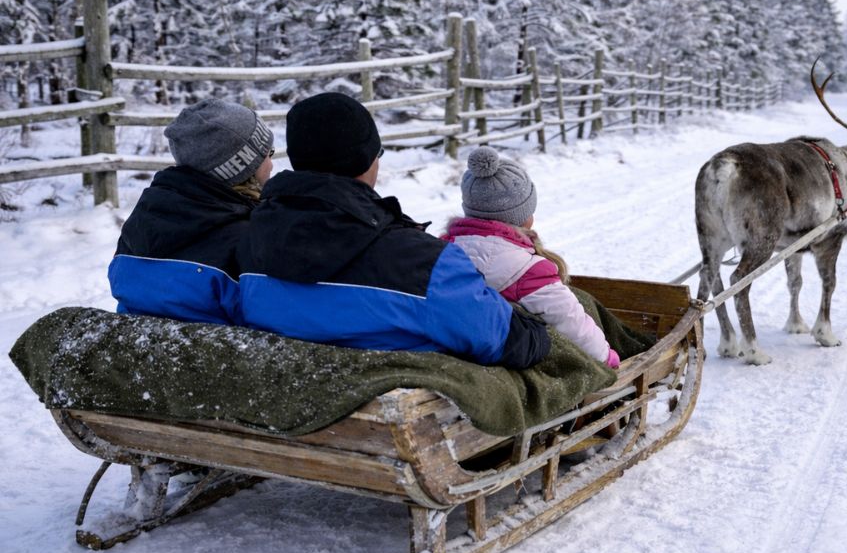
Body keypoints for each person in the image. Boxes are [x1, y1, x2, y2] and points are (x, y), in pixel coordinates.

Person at [237, 91, 549, 369]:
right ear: (367, 160)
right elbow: (504, 339)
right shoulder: (422, 263)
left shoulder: (248, 239)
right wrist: (539, 334)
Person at [443, 147, 620, 369]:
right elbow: (570, 321)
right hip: (513, 357)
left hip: (457, 346)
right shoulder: (528, 269)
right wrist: (606, 358)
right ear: (525, 218)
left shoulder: (441, 249)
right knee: (581, 305)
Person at [108, 98, 274, 325]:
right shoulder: (245, 237)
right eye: (268, 153)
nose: (272, 164)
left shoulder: (143, 219)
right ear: (242, 168)